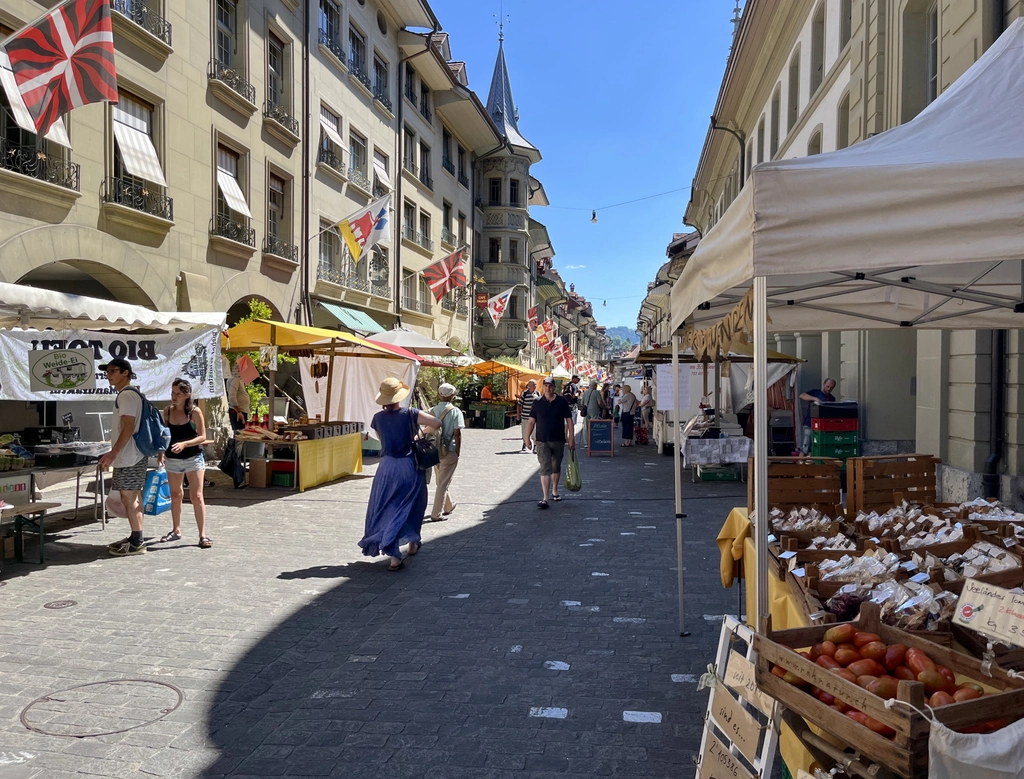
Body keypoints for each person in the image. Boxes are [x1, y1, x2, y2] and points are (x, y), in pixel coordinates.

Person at [359, 378, 442, 571]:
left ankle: (397, 549)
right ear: (399, 396)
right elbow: (436, 423)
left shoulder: (377, 419)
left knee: (387, 507)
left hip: (386, 467)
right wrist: (418, 435)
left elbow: (383, 442)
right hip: (408, 465)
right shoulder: (410, 413)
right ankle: (406, 546)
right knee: (413, 504)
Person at [98, 358, 149, 556]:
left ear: (125, 373)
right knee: (133, 496)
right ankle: (137, 537)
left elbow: (128, 426)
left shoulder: (127, 395)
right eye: (107, 371)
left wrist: (113, 452)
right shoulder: (132, 394)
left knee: (129, 497)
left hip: (130, 455)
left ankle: (137, 542)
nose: (109, 375)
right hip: (134, 454)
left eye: (113, 371)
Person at [157, 378, 211, 549]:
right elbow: (164, 435)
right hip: (172, 459)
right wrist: (160, 453)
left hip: (193, 457)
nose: (174, 397)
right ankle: (176, 530)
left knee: (196, 496)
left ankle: (202, 535)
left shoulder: (194, 412)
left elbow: (202, 436)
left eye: (178, 394)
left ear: (187, 395)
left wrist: (185, 444)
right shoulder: (167, 411)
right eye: (172, 393)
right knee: (175, 494)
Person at [524, 377, 575, 509]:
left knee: (556, 466)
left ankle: (555, 490)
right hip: (542, 440)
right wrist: (527, 437)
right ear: (543, 387)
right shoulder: (537, 402)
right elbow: (531, 421)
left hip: (558, 439)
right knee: (545, 467)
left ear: (554, 387)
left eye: (550, 386)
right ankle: (545, 497)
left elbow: (569, 420)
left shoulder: (561, 401)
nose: (548, 388)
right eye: (546, 385)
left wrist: (571, 438)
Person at [428, 383, 464, 521]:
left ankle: (448, 506)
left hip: (433, 449)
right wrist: (458, 450)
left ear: (439, 394)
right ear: (452, 395)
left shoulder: (431, 410)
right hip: (448, 449)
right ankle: (436, 514)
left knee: (440, 480)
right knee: (443, 483)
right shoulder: (455, 411)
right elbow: (457, 433)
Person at [799, 378, 837, 453]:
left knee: (817, 446)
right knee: (805, 446)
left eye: (831, 387)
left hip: (823, 426)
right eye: (827, 386)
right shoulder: (815, 392)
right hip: (810, 423)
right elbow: (802, 395)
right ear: (824, 384)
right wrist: (815, 399)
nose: (829, 389)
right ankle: (800, 461)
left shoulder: (832, 398)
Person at [226, 361, 250, 432]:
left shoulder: (237, 380)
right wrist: (238, 411)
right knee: (239, 434)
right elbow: (232, 397)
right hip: (238, 411)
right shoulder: (235, 379)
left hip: (240, 410)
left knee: (239, 434)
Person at [580, 380, 604, 449]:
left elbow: (581, 403)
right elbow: (599, 403)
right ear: (594, 386)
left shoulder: (585, 392)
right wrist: (604, 407)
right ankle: (594, 440)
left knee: (586, 427)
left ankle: (586, 443)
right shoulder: (597, 392)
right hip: (594, 410)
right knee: (594, 426)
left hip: (586, 411)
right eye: (596, 386)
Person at [518, 379, 540, 453]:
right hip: (525, 416)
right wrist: (518, 414)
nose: (535, 386)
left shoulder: (537, 393)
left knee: (535, 432)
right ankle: (524, 444)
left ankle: (535, 447)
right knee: (525, 432)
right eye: (534, 384)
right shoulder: (524, 393)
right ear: (529, 385)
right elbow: (519, 404)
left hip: (534, 418)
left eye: (536, 384)